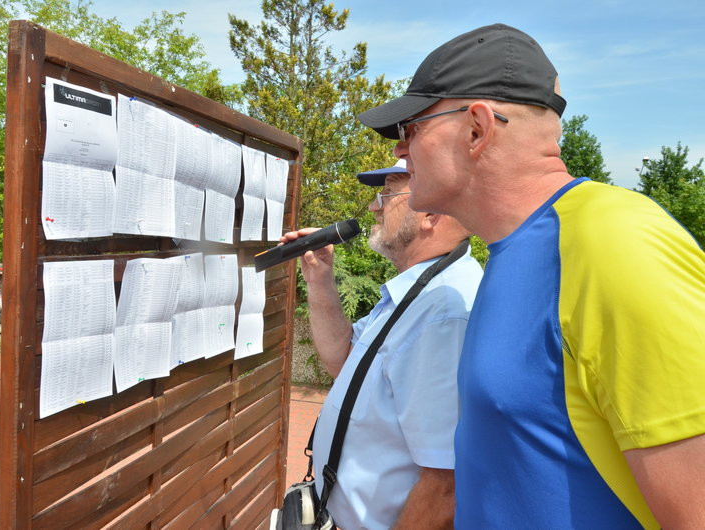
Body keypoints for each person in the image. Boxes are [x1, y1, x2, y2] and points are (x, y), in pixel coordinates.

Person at [357, 22, 705, 529]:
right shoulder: (509, 250)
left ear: (477, 128)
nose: (399, 151)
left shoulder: (612, 241)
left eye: (411, 129)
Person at [281, 159, 482, 529]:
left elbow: (445, 485)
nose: (375, 205)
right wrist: (320, 278)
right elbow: (344, 361)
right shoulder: (415, 290)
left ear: (431, 213)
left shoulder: (443, 313)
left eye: (389, 191)